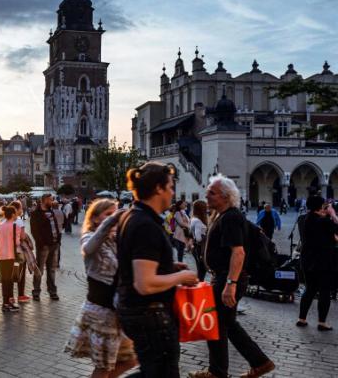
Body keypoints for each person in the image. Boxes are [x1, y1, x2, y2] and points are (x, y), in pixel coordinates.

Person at [115, 162, 198, 378]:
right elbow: (145, 283)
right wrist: (181, 276)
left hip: (139, 312)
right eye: (170, 187)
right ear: (158, 188)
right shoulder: (145, 224)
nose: (173, 193)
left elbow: (137, 265)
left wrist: (168, 267)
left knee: (155, 372)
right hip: (150, 314)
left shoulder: (133, 216)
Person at [189, 174, 275, 378]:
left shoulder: (231, 217)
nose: (206, 195)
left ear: (226, 196)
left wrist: (231, 283)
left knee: (220, 323)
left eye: (212, 192)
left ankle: (253, 364)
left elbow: (239, 252)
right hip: (222, 277)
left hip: (228, 277)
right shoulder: (222, 215)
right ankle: (232, 368)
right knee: (223, 323)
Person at [65, 198, 137, 378]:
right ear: (96, 218)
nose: (113, 218)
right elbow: (89, 248)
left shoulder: (117, 239)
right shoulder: (89, 236)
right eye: (107, 214)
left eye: (115, 214)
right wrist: (112, 220)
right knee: (104, 367)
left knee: (131, 359)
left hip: (118, 310)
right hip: (101, 310)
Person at [296, 195, 338, 331]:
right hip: (323, 260)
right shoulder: (324, 221)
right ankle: (322, 322)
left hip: (307, 260)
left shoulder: (303, 219)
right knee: (324, 290)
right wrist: (332, 214)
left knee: (310, 289)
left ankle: (301, 319)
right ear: (320, 207)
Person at [0, 205, 27, 312]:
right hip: (11, 256)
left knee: (5, 279)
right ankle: (7, 303)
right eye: (15, 213)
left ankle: (6, 302)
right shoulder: (16, 227)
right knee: (8, 280)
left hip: (1, 256)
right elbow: (18, 242)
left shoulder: (0, 226)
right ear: (13, 214)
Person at [29, 193, 63, 301]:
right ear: (44, 200)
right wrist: (41, 243)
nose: (52, 202)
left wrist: (58, 240)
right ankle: (36, 291)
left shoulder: (51, 212)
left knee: (51, 269)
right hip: (43, 246)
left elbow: (54, 227)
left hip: (54, 244)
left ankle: (52, 291)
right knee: (39, 270)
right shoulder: (36, 213)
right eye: (50, 200)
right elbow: (34, 231)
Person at [189, 200, 209, 281]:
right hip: (200, 248)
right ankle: (199, 288)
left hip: (196, 248)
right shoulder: (197, 221)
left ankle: (199, 286)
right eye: (205, 207)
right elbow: (198, 238)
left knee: (200, 270)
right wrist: (207, 235)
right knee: (201, 270)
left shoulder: (194, 219)